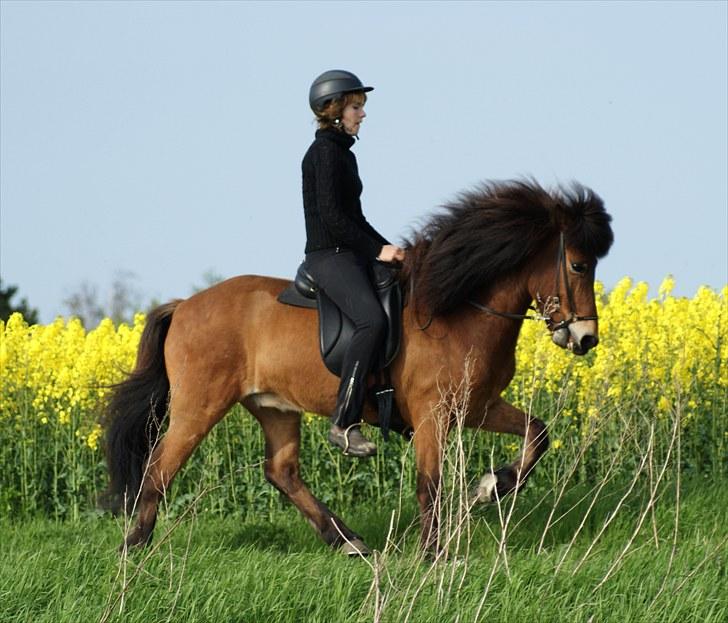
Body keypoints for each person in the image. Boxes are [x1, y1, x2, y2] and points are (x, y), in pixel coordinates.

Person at [302, 69, 406, 458]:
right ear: (334, 110)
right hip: (329, 257)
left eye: (361, 107)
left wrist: (388, 249)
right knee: (372, 320)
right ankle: (344, 423)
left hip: (350, 250)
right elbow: (332, 218)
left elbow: (356, 219)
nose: (362, 114)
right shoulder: (324, 154)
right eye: (356, 107)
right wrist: (376, 250)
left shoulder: (344, 154)